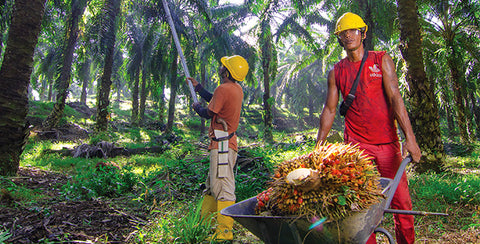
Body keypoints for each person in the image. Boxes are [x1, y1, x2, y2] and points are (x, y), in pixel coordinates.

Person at [315, 12, 422, 244]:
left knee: (401, 204)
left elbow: (396, 99)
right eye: (343, 33)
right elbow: (330, 110)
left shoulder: (381, 59)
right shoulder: (337, 71)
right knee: (361, 207)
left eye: (353, 30)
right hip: (356, 149)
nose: (348, 35)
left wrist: (410, 138)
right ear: (339, 39)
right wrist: (318, 146)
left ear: (363, 34)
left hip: (388, 145)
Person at [186, 55, 248, 241]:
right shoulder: (236, 89)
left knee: (223, 186)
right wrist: (199, 88)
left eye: (224, 66)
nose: (221, 67)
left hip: (222, 143)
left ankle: (223, 233)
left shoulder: (223, 89)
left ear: (227, 72)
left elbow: (209, 112)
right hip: (226, 143)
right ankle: (205, 226)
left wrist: (197, 107)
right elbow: (214, 99)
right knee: (212, 186)